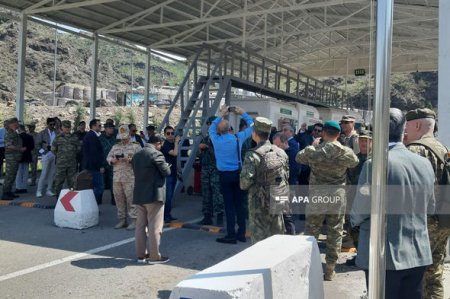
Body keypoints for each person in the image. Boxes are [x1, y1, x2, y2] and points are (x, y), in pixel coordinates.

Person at [351, 108, 435, 299]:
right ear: (404, 129)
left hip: (385, 257)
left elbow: (362, 207)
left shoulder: (375, 164)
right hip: (418, 253)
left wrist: (353, 220)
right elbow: (430, 207)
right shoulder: (424, 164)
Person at [296, 120, 359, 281]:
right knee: (335, 232)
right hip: (337, 196)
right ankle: (330, 269)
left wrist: (314, 144)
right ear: (339, 134)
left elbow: (298, 158)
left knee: (311, 230)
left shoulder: (314, 150)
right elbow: (355, 162)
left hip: (317, 195)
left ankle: (308, 266)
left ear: (323, 133)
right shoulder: (345, 152)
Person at [404, 108, 450, 299]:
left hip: (424, 222)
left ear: (416, 125)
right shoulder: (443, 149)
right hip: (443, 220)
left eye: (406, 127)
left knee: (417, 273)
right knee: (435, 270)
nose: (405, 131)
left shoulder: (415, 150)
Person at [209, 105, 253, 244]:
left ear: (218, 130)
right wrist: (243, 112)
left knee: (229, 206)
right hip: (237, 174)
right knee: (239, 204)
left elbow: (212, 126)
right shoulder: (237, 138)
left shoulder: (215, 139)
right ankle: (241, 234)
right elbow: (252, 126)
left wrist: (221, 114)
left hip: (224, 176)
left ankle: (231, 235)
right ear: (229, 129)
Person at [241, 118, 289, 244]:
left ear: (255, 133)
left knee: (259, 240)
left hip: (259, 203)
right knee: (276, 236)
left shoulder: (252, 155)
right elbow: (286, 175)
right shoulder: (281, 152)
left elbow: (244, 183)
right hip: (278, 199)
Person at [132, 134, 171, 264]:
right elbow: (166, 172)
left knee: (140, 226)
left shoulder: (137, 155)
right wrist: (167, 166)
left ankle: (141, 255)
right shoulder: (156, 154)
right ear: (158, 143)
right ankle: (154, 256)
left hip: (139, 195)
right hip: (154, 196)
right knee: (155, 227)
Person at [345, 129, 372, 266]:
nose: (363, 143)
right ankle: (359, 255)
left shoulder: (375, 161)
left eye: (366, 140)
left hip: (369, 203)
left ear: (372, 142)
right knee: (354, 228)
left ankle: (368, 257)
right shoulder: (354, 159)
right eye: (361, 140)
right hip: (354, 200)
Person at [107, 125, 141, 230]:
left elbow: (141, 159)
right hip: (117, 177)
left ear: (129, 134)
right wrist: (111, 160)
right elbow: (108, 157)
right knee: (119, 199)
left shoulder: (136, 146)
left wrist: (129, 158)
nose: (123, 138)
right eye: (122, 137)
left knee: (131, 200)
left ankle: (135, 221)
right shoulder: (116, 146)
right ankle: (122, 220)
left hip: (130, 177)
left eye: (125, 136)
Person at [198, 116, 224, 226]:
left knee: (217, 194)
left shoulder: (220, 138)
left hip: (216, 169)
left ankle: (219, 217)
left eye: (211, 123)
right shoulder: (205, 138)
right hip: (205, 168)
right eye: (208, 123)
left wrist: (208, 147)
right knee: (206, 193)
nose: (209, 125)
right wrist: (200, 148)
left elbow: (221, 154)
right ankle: (207, 216)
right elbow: (198, 155)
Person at [51, 120, 79, 197]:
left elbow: (78, 149)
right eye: (65, 127)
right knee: (59, 181)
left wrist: (71, 155)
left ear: (70, 128)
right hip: (61, 164)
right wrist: (61, 156)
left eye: (68, 127)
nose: (67, 128)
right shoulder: (58, 138)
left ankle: (71, 198)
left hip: (71, 164)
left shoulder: (75, 137)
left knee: (72, 182)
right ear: (62, 128)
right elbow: (53, 149)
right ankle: (58, 198)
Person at [82, 119, 105, 205]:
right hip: (94, 166)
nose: (101, 127)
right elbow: (94, 153)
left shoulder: (92, 136)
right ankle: (90, 205)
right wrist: (100, 166)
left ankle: (91, 206)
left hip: (92, 165)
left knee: (95, 187)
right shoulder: (92, 136)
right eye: (99, 125)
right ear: (94, 126)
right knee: (99, 187)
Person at [161, 126, 180, 223]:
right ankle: (165, 216)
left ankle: (167, 214)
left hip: (172, 173)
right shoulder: (166, 145)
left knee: (170, 196)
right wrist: (176, 142)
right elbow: (175, 154)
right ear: (164, 134)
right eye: (168, 133)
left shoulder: (172, 144)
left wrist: (177, 170)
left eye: (172, 133)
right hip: (167, 174)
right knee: (167, 196)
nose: (170, 135)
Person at [2, 118, 25, 200]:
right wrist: (20, 149)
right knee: (9, 176)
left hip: (15, 157)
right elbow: (8, 145)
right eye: (16, 122)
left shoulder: (15, 132)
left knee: (13, 175)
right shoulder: (10, 133)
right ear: (13, 123)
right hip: (11, 158)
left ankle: (9, 191)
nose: (18, 124)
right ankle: (5, 193)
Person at [35, 118, 57, 197]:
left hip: (54, 154)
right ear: (47, 124)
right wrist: (43, 153)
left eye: (53, 124)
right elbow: (37, 145)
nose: (52, 126)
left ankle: (49, 190)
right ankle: (39, 191)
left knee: (52, 173)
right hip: (46, 154)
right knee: (44, 173)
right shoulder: (42, 133)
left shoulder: (57, 132)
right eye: (51, 124)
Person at [99, 122, 117, 205]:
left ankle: (114, 200)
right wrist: (100, 165)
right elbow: (97, 153)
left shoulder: (115, 139)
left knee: (113, 183)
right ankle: (99, 201)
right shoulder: (100, 139)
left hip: (112, 164)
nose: (111, 130)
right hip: (103, 164)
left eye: (112, 128)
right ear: (105, 129)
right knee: (101, 183)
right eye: (110, 128)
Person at [15, 124, 34, 193]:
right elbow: (32, 147)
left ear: (20, 129)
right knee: (25, 172)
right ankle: (24, 187)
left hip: (19, 156)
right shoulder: (29, 137)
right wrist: (26, 148)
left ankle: (18, 187)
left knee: (19, 172)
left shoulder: (17, 137)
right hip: (27, 155)